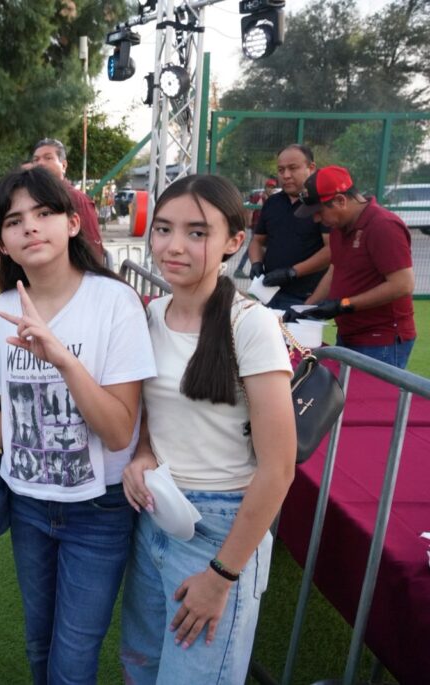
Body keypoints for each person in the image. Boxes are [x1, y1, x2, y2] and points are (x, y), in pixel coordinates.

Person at [0, 167, 156, 684]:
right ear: (1, 240)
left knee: (72, 658)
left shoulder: (114, 303)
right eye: (15, 221)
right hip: (29, 505)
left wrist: (62, 358)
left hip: (99, 509)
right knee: (39, 645)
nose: (31, 228)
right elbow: (14, 417)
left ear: (72, 223)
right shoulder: (4, 309)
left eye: (44, 213)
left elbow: (118, 432)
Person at [120, 174, 296, 684]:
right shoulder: (150, 314)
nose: (174, 246)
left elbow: (279, 468)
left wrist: (221, 576)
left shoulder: (251, 324)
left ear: (233, 243)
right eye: (164, 229)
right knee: (140, 666)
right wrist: (144, 454)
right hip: (156, 513)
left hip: (222, 529)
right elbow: (155, 415)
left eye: (197, 233)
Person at [286, 165, 417, 368]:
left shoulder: (383, 225)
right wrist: (308, 307)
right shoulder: (341, 226)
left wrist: (343, 305)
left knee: (370, 398)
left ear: (340, 200)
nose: (316, 218)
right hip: (349, 333)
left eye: (319, 211)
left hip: (381, 339)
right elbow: (336, 268)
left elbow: (402, 285)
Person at [248, 144, 330, 309]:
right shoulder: (272, 202)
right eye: (280, 170)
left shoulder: (321, 204)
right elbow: (257, 241)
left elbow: (333, 250)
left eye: (293, 168)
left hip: (305, 298)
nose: (285, 175)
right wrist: (256, 263)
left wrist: (292, 272)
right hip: (268, 293)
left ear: (311, 168)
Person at [30, 138, 104, 263]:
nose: (40, 163)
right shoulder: (30, 199)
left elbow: (93, 248)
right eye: (36, 159)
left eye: (48, 158)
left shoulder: (77, 199)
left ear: (63, 165)